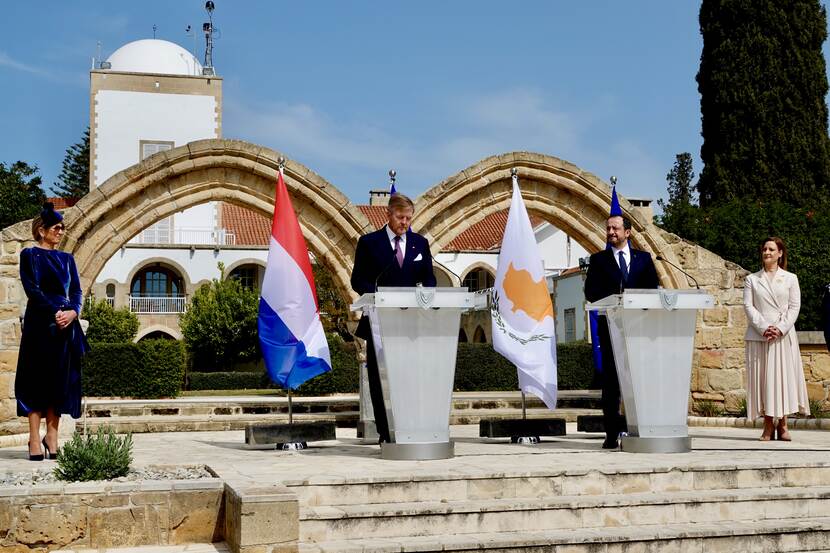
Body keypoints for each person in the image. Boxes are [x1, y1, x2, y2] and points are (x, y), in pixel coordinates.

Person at [350, 193, 436, 443]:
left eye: (409, 218)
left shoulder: (420, 244)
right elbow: (358, 279)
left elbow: (429, 277)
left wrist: (427, 292)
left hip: (411, 323)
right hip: (379, 321)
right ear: (388, 214)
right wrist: (377, 295)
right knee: (380, 381)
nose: (405, 223)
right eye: (400, 217)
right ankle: (386, 433)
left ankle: (411, 427)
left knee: (410, 377)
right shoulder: (369, 243)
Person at [15, 203, 89, 461]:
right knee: (35, 379)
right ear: (42, 230)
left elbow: (77, 291)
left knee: (58, 380)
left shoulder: (68, 260)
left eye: (62, 228)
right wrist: (54, 310)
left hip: (65, 326)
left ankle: (52, 436)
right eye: (56, 228)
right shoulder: (30, 255)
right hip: (40, 323)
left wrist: (73, 312)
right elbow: (31, 288)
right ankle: (34, 438)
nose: (60, 232)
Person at [584, 215, 659, 449]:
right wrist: (615, 298)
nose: (610, 232)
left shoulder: (643, 259)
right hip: (611, 329)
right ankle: (611, 434)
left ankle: (644, 428)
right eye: (607, 228)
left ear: (628, 232)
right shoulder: (599, 260)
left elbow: (652, 290)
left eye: (615, 228)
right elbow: (591, 293)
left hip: (639, 329)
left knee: (640, 380)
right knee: (612, 383)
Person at [743, 237, 809, 441]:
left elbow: (794, 307)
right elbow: (748, 306)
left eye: (771, 249)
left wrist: (779, 329)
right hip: (759, 335)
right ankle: (768, 424)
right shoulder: (752, 279)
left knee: (783, 379)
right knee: (764, 380)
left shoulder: (791, 278)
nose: (767, 252)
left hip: (783, 336)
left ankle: (784, 425)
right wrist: (764, 328)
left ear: (780, 253)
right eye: (764, 249)